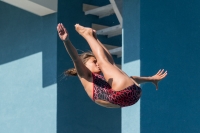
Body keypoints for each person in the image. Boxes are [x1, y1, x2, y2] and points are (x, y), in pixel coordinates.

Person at [57, 23, 167, 108]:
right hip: (123, 95)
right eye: (93, 62)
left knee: (111, 64)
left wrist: (152, 79)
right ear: (85, 64)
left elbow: (132, 79)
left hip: (132, 94)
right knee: (104, 61)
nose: (97, 65)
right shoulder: (85, 75)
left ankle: (93, 37)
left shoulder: (103, 80)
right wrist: (66, 40)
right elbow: (76, 58)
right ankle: (87, 34)